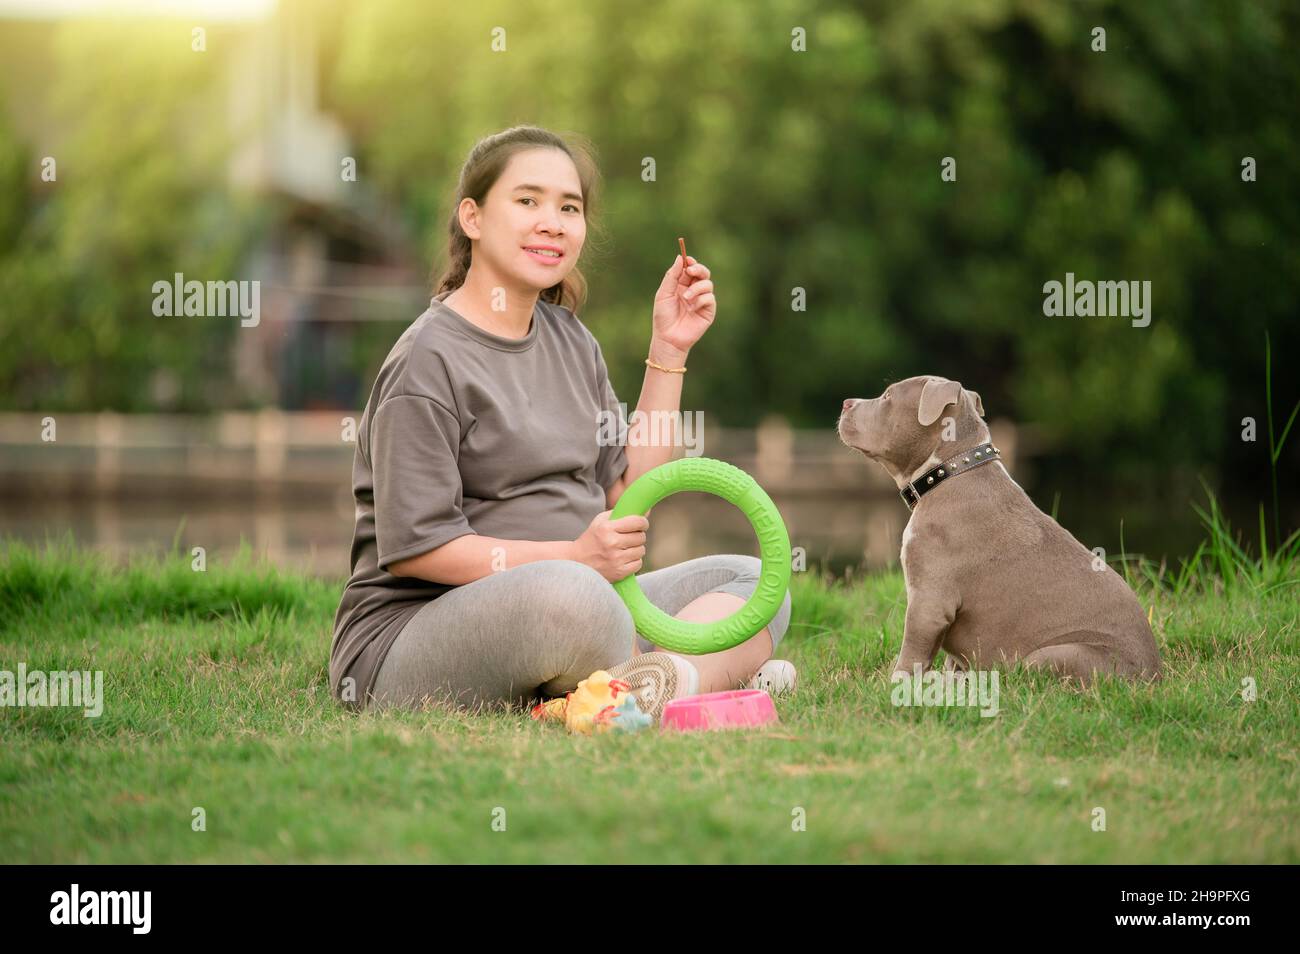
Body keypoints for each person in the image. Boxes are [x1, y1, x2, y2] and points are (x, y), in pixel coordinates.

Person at [329, 125, 794, 719]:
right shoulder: (428, 359)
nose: (552, 221)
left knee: (754, 582)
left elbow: (629, 494)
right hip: (413, 634)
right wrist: (574, 558)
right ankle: (697, 677)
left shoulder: (571, 340)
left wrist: (670, 349)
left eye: (568, 207)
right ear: (472, 217)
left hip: (584, 597)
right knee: (577, 601)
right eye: (528, 201)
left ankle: (659, 683)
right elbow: (419, 550)